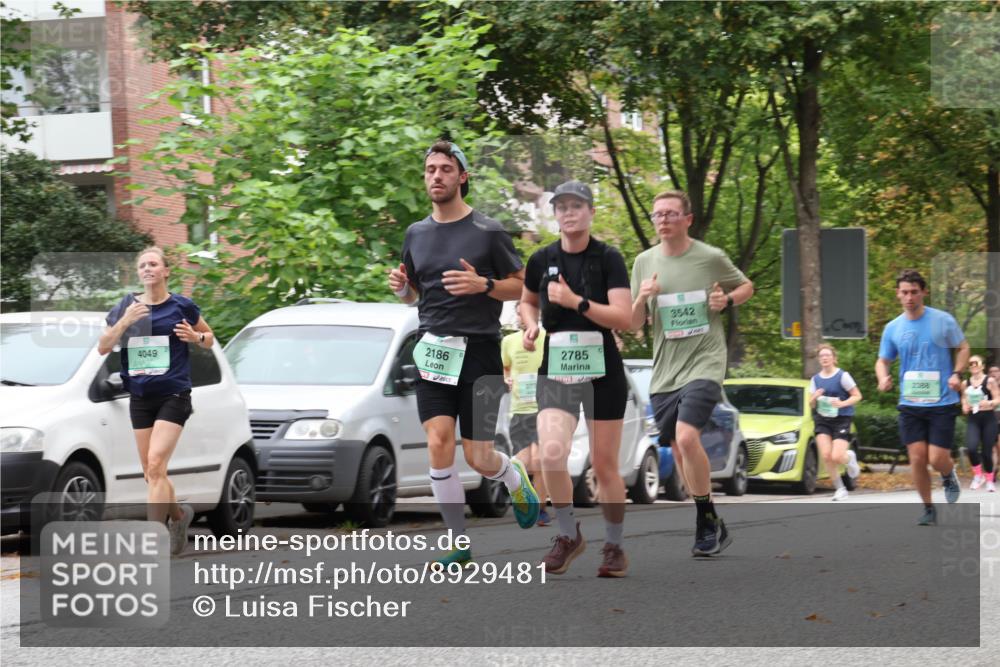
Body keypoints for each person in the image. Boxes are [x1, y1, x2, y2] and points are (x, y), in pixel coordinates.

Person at [388, 140, 538, 569]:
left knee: (477, 456)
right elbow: (416, 293)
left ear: (462, 176)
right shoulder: (416, 233)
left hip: (481, 355)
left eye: (445, 169)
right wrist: (403, 290)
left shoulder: (487, 232)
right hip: (434, 350)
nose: (436, 176)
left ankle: (513, 476)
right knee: (438, 442)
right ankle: (458, 543)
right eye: (430, 169)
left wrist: (484, 286)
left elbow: (525, 286)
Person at [629, 190, 754, 556]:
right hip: (666, 371)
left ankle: (703, 524)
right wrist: (641, 298)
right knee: (680, 451)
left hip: (706, 361)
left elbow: (746, 285)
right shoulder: (643, 262)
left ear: (688, 219)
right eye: (657, 215)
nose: (663, 220)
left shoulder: (710, 258)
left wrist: (727, 300)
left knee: (686, 438)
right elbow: (635, 323)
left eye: (670, 213)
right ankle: (711, 516)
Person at [519, 180, 633, 577]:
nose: (569, 212)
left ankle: (615, 546)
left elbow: (624, 317)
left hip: (603, 370)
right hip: (557, 367)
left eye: (577, 205)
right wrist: (531, 326)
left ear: (590, 212)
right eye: (562, 206)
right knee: (551, 453)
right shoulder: (541, 259)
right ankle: (569, 536)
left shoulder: (608, 258)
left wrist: (576, 302)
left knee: (604, 466)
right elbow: (527, 300)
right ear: (555, 214)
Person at [97, 247, 214, 555]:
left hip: (174, 393)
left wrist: (195, 338)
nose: (147, 268)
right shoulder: (126, 305)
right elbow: (103, 347)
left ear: (165, 272)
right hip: (140, 396)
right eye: (142, 265)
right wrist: (125, 321)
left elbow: (209, 337)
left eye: (153, 264)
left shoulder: (181, 305)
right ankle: (178, 517)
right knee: (152, 473)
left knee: (155, 463)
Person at [876, 268, 970, 525]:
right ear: (898, 294)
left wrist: (957, 373)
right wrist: (882, 377)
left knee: (936, 458)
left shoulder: (943, 321)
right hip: (910, 403)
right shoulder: (893, 328)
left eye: (914, 292)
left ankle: (948, 474)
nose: (909, 297)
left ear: (924, 292)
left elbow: (963, 348)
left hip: (942, 400)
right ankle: (928, 508)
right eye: (904, 292)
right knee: (916, 458)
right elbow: (883, 360)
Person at [501, 305, 550, 526]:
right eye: (519, 312)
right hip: (519, 409)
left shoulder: (547, 338)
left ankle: (539, 510)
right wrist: (507, 378)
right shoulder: (508, 342)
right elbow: (505, 367)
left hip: (543, 408)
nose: (523, 316)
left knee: (540, 461)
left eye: (527, 312)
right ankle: (523, 500)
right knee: (524, 462)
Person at [808, 344, 863, 500]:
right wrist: (814, 396)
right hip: (822, 420)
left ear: (833, 358)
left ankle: (849, 458)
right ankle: (840, 489)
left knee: (837, 456)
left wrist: (842, 403)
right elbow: (811, 404)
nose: (824, 358)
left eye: (827, 355)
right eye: (822, 356)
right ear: (819, 359)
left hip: (841, 419)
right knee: (826, 456)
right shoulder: (815, 379)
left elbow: (857, 395)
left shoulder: (842, 376)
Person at [961, 356, 998, 492]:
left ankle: (989, 480)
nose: (973, 366)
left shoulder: (990, 381)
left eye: (976, 363)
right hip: (974, 419)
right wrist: (964, 406)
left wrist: (988, 403)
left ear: (982, 366)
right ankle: (978, 475)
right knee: (971, 448)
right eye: (971, 364)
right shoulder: (966, 383)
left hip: (989, 419)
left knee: (987, 452)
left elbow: (998, 398)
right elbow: (964, 398)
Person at [991, 364, 1000, 473]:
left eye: (996, 371)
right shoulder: (986, 387)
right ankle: (993, 470)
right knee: (992, 447)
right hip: (990, 421)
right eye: (991, 371)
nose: (993, 373)